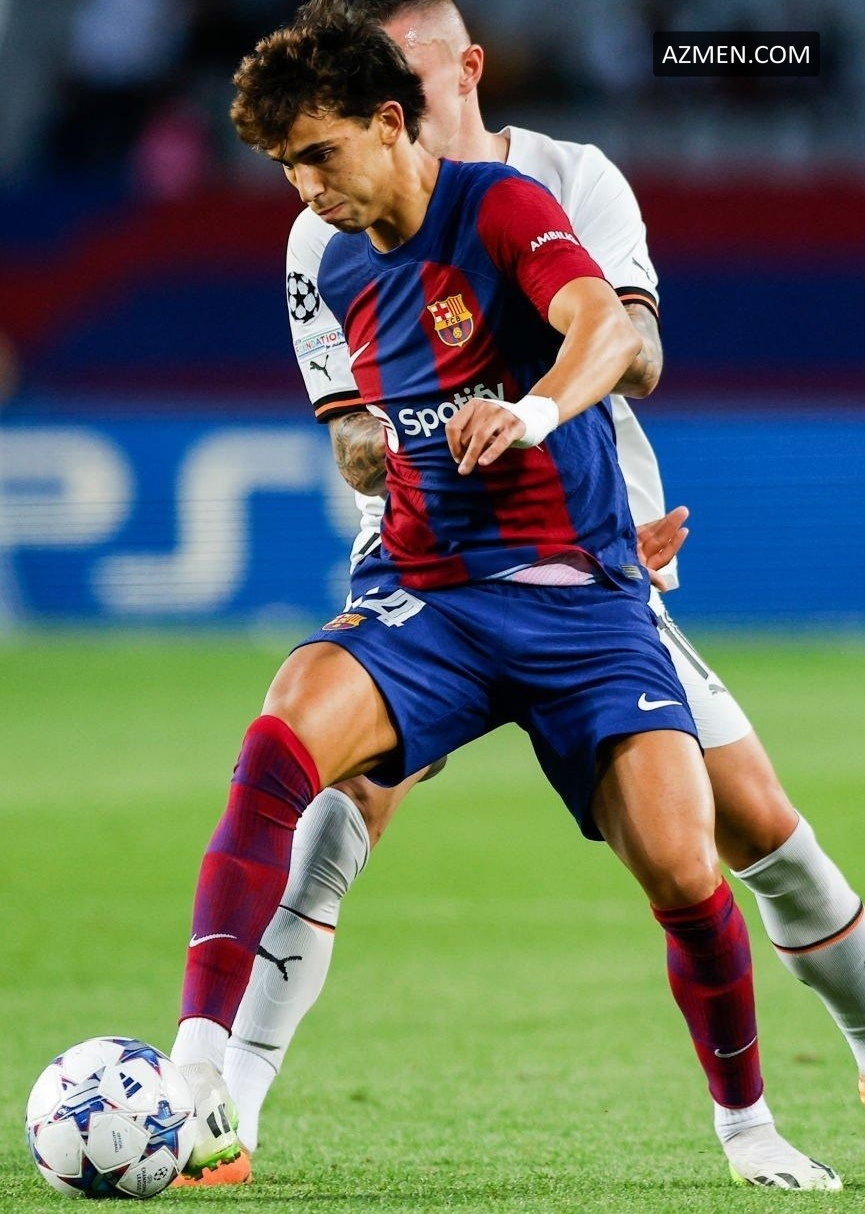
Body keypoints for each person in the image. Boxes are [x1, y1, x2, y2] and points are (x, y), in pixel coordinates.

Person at [169, 8, 841, 1194]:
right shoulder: (324, 253)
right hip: (428, 592)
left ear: (401, 110)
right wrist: (389, 447)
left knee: (704, 860)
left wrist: (531, 412)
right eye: (284, 166)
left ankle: (752, 1121)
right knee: (289, 749)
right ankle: (203, 1078)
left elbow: (614, 332)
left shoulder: (522, 196)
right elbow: (359, 432)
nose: (304, 187)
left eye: (318, 155)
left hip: (584, 592)